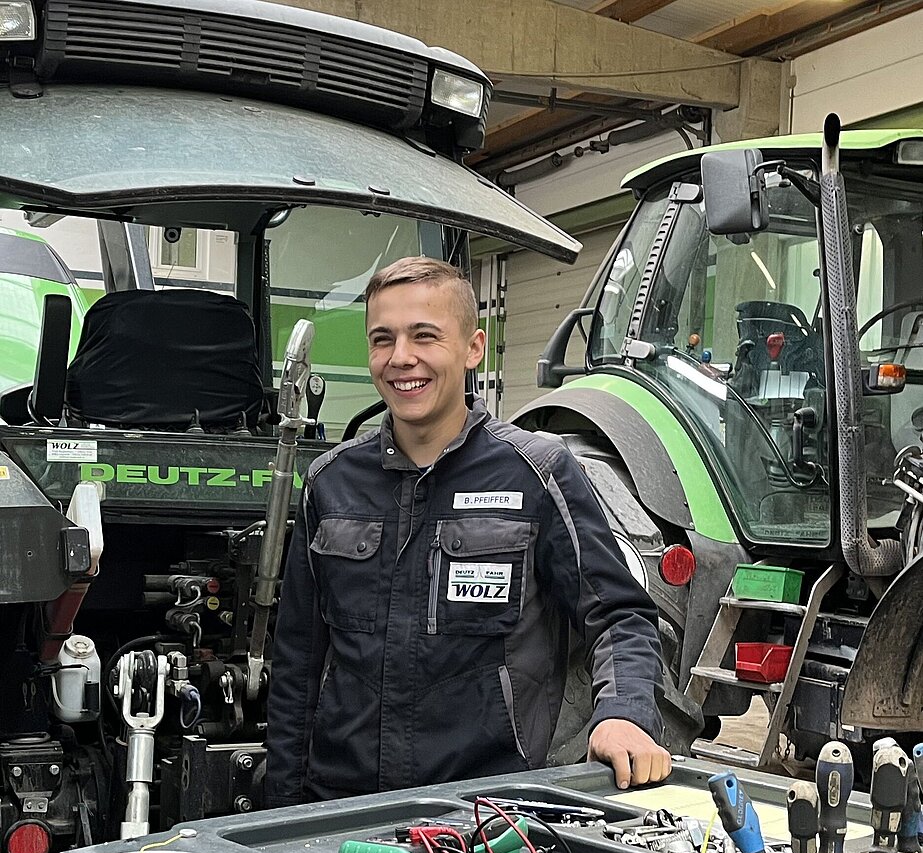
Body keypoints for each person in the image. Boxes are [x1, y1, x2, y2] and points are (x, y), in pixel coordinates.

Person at [264, 257, 670, 807]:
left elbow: (620, 616)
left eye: (424, 336)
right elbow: (297, 665)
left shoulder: (536, 474)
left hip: (489, 812)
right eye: (382, 339)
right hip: (340, 810)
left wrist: (623, 713)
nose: (401, 357)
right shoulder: (330, 483)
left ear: (473, 348)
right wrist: (281, 813)